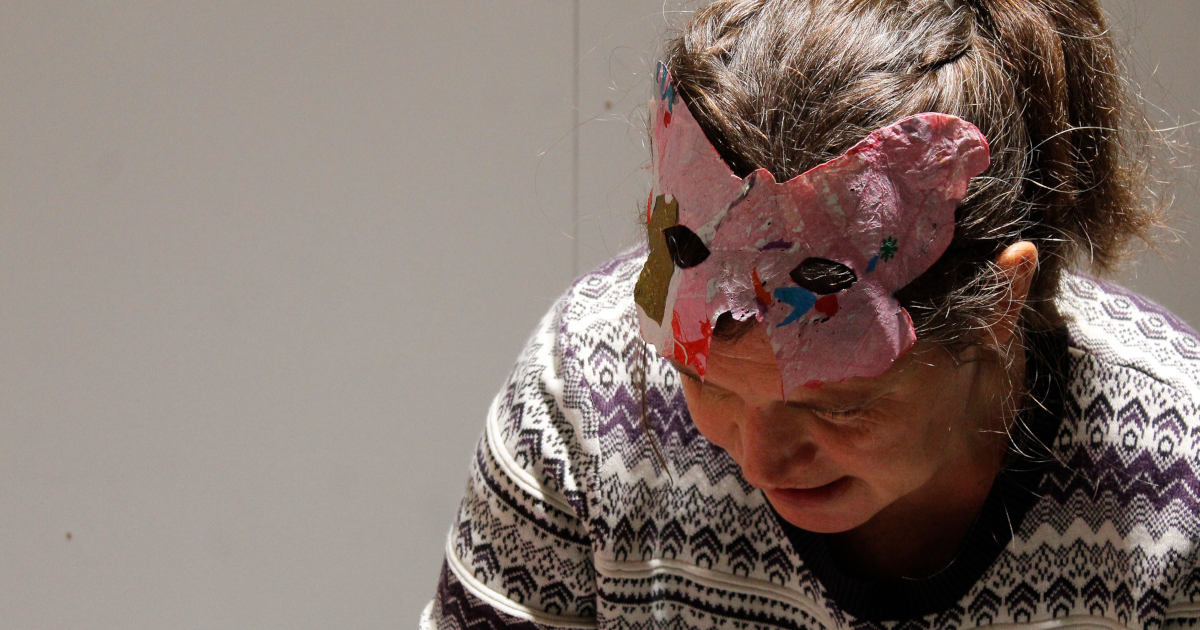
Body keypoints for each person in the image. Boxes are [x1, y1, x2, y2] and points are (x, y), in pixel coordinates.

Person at [421, 1, 1200, 628]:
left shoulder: (1178, 477)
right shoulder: (588, 391)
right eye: (704, 379)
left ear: (1000, 305)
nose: (761, 462)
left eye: (838, 405)